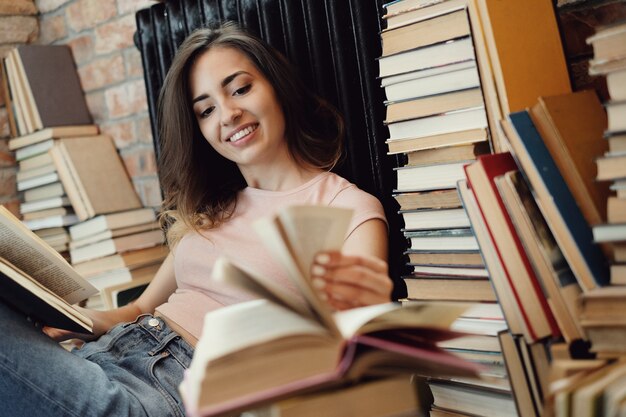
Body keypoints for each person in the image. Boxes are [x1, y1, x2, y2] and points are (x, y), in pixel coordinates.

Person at [0, 22, 392, 417]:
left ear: (277, 86)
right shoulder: (211, 209)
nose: (229, 114)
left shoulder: (349, 209)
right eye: (206, 110)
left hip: (176, 389)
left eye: (240, 88)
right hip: (110, 355)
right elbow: (139, 309)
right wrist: (81, 318)